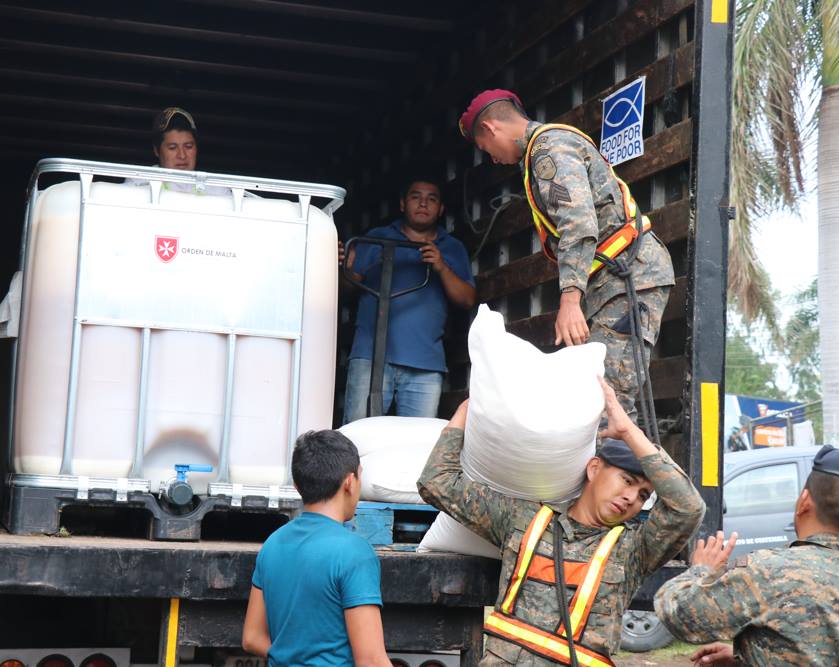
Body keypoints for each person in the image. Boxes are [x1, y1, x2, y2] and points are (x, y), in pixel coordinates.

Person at [417, 378, 704, 666]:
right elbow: (437, 482)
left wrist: (628, 432)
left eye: (643, 495)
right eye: (627, 480)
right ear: (594, 469)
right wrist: (470, 407)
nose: (631, 497)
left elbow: (688, 508)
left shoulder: (633, 550)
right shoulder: (523, 520)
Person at [458, 90, 675, 425]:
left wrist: (570, 300)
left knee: (606, 401)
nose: (494, 159)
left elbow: (579, 222)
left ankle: (628, 476)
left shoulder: (549, 149)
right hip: (612, 282)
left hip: (630, 277)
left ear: (490, 129)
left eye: (486, 150)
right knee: (591, 394)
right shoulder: (544, 150)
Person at [654, 444, 839, 667]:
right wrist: (750, 656)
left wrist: (701, 569)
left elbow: (679, 615)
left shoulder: (770, 571)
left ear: (804, 502)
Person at [242, 430, 391, 667]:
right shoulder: (354, 552)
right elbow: (371, 661)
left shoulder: (273, 543)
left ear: (297, 486)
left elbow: (252, 638)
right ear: (350, 483)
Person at [341, 175, 475, 423]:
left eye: (431, 199)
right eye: (416, 197)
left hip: (425, 363)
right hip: (370, 357)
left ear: (441, 209)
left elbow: (467, 300)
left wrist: (441, 266)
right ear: (402, 204)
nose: (423, 204)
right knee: (358, 435)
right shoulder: (377, 238)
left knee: (417, 444)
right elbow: (348, 289)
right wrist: (345, 269)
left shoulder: (451, 247)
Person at [126, 106, 232, 196]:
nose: (182, 156)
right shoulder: (138, 183)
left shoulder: (217, 189)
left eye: (188, 146)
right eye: (172, 148)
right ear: (157, 151)